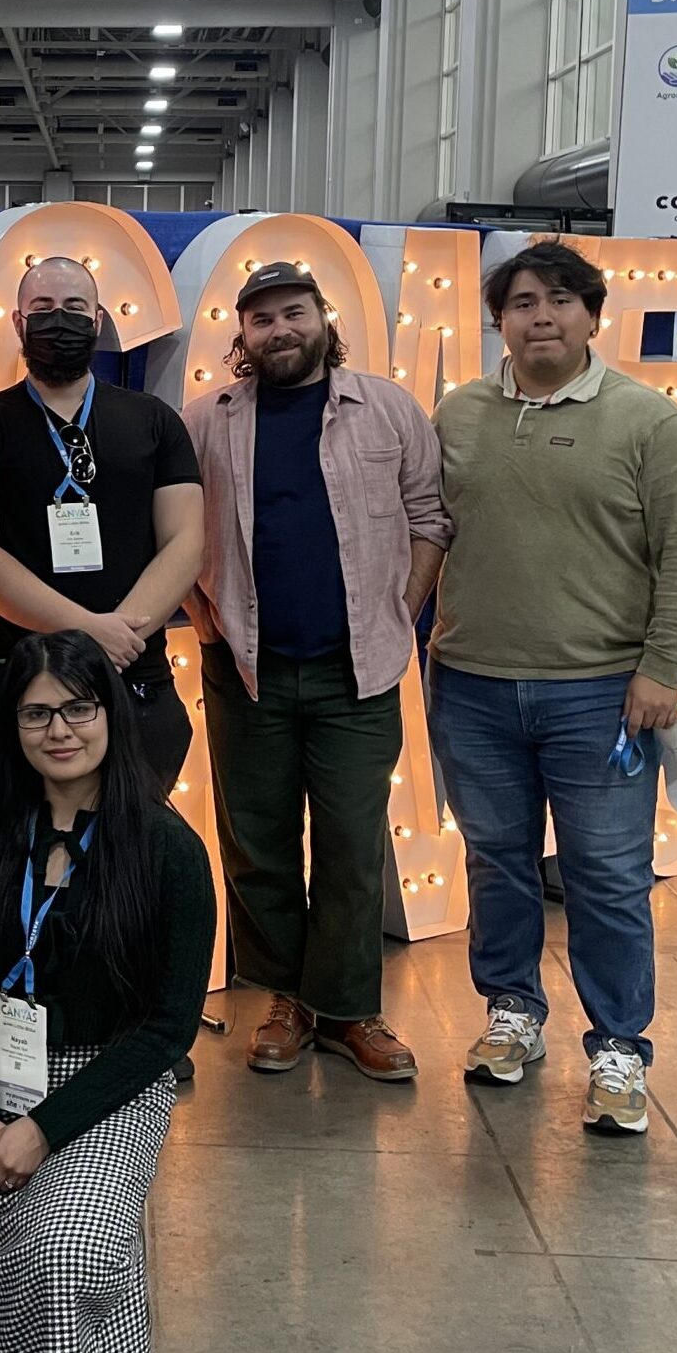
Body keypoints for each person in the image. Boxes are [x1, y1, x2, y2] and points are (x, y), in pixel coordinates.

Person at [429, 239, 677, 1135]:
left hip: (601, 695)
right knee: (496, 863)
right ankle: (512, 1012)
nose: (542, 317)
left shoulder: (650, 423)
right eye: (523, 302)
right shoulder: (458, 415)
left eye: (561, 300)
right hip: (472, 686)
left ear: (593, 316)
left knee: (606, 876)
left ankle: (620, 1049)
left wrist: (663, 667)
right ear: (499, 320)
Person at [0, 629, 215, 1353]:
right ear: (10, 726)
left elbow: (167, 1029)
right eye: (36, 713)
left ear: (111, 714)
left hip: (108, 1079)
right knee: (0, 1246)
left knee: (66, 1251)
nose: (59, 730)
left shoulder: (168, 849)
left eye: (79, 708)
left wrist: (44, 1128)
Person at [184, 261, 450, 1081]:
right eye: (261, 319)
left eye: (294, 313)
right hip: (247, 672)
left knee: (350, 845)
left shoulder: (389, 410)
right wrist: (207, 621)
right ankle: (287, 1000)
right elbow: (178, 533)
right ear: (242, 334)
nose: (280, 330)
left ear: (324, 319)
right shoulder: (208, 422)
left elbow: (429, 517)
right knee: (256, 844)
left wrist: (399, 610)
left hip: (357, 673)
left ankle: (347, 1010)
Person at [0, 253, 204, 803]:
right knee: (9, 843)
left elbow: (185, 542)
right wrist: (89, 633)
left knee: (132, 842)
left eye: (74, 307)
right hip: (12, 685)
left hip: (133, 680)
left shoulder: (155, 421)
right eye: (42, 307)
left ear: (97, 320)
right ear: (18, 322)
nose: (59, 319)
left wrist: (117, 640)